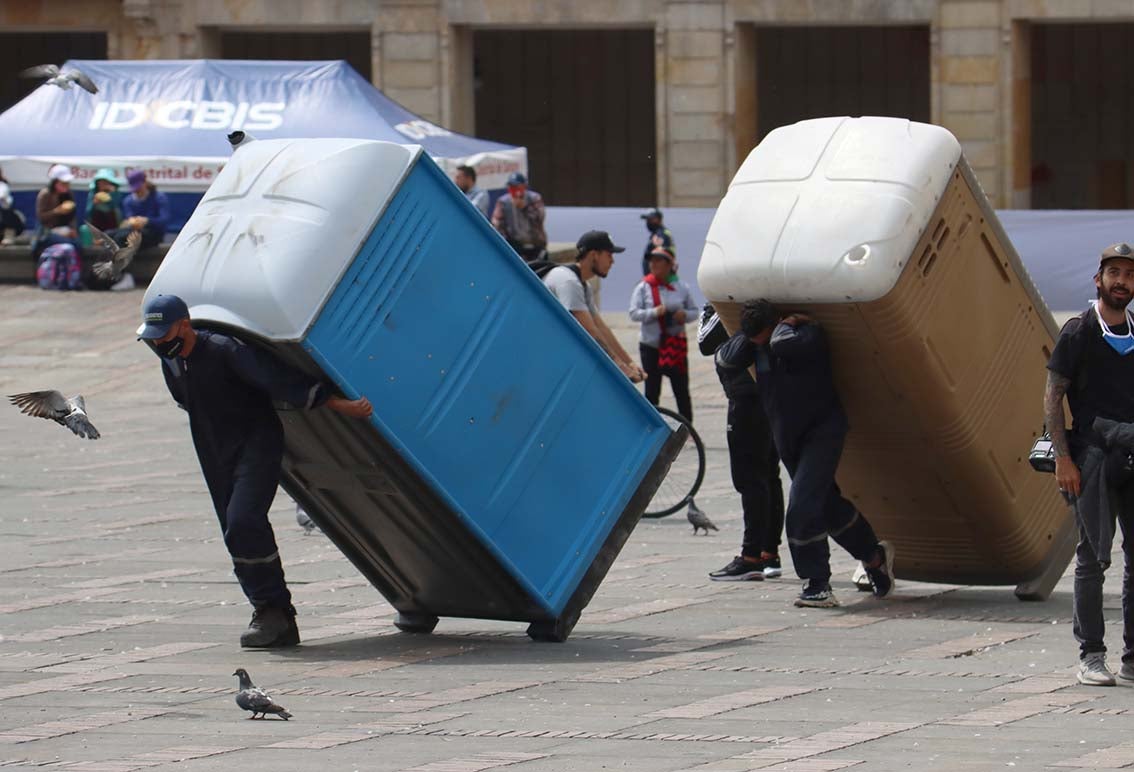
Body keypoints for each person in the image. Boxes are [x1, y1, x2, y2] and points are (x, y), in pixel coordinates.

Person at [137, 294, 373, 647]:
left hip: (255, 444)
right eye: (152, 336)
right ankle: (270, 613)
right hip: (214, 451)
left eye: (163, 333)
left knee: (245, 519)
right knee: (233, 531)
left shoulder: (225, 350)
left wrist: (340, 404)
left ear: (184, 325)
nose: (158, 342)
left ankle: (275, 611)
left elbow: (279, 379)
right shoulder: (170, 362)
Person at [715, 299, 895, 607]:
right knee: (826, 506)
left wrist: (785, 326)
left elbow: (784, 345)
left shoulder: (807, 334)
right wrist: (751, 337)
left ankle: (816, 583)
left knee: (801, 508)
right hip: (789, 439)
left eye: (765, 337)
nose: (763, 347)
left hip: (822, 432)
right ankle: (875, 556)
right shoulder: (758, 341)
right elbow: (724, 358)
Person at [1044, 243, 1134, 686]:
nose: (1122, 282)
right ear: (1098, 280)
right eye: (1114, 273)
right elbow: (1052, 397)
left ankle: (1131, 659)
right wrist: (1063, 458)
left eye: (1129, 275)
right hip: (1090, 458)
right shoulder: (1079, 331)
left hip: (1132, 458)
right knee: (1091, 560)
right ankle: (1091, 655)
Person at [699, 303, 785, 581]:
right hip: (768, 394)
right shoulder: (768, 296)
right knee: (769, 476)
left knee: (750, 479)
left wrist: (712, 307)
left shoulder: (728, 300)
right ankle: (768, 553)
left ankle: (751, 557)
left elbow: (704, 341)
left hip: (746, 397)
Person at [544, 230, 644, 383]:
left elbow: (601, 328)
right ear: (594, 255)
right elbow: (590, 331)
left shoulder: (584, 285)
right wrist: (620, 367)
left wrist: (629, 363)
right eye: (609, 255)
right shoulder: (569, 281)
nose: (613, 261)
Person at [629, 248, 699, 421]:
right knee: (652, 390)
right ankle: (651, 428)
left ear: (669, 265)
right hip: (651, 346)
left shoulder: (682, 287)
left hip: (675, 345)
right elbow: (634, 313)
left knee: (681, 389)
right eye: (651, 260)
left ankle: (687, 429)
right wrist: (654, 312)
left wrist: (684, 315)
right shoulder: (643, 287)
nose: (653, 264)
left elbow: (694, 312)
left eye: (658, 260)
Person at [492, 172, 546, 264]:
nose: (514, 189)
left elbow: (540, 217)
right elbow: (496, 222)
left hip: (536, 244)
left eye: (517, 186)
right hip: (515, 246)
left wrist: (524, 207)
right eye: (511, 186)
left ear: (524, 186)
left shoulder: (534, 198)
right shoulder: (503, 202)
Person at [111, 170, 169, 251]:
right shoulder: (128, 201)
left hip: (153, 233)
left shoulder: (159, 197)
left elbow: (164, 219)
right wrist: (131, 221)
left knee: (121, 238)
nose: (137, 190)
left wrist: (147, 221)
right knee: (109, 234)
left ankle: (122, 261)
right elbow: (129, 217)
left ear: (145, 182)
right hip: (134, 230)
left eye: (139, 187)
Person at [33, 163, 81, 259]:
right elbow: (41, 217)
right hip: (47, 232)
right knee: (71, 244)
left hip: (65, 230)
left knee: (79, 244)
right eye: (63, 183)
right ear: (55, 182)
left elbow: (72, 216)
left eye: (67, 183)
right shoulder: (45, 194)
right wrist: (57, 211)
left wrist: (73, 229)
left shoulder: (69, 194)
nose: (66, 185)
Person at [83, 168, 125, 233]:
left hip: (112, 225)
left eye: (105, 181)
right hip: (97, 225)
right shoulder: (93, 193)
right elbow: (88, 212)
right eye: (100, 182)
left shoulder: (115, 193)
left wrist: (112, 194)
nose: (102, 184)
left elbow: (118, 207)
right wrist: (94, 204)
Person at [640, 207, 676, 277]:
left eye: (651, 219)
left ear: (659, 219)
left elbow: (661, 256)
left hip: (659, 278)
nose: (648, 222)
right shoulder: (658, 233)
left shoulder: (661, 234)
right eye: (647, 220)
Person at [0, 167, 26, 244]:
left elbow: (1, 195)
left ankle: (8, 235)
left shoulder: (2, 186)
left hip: (7, 221)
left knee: (6, 213)